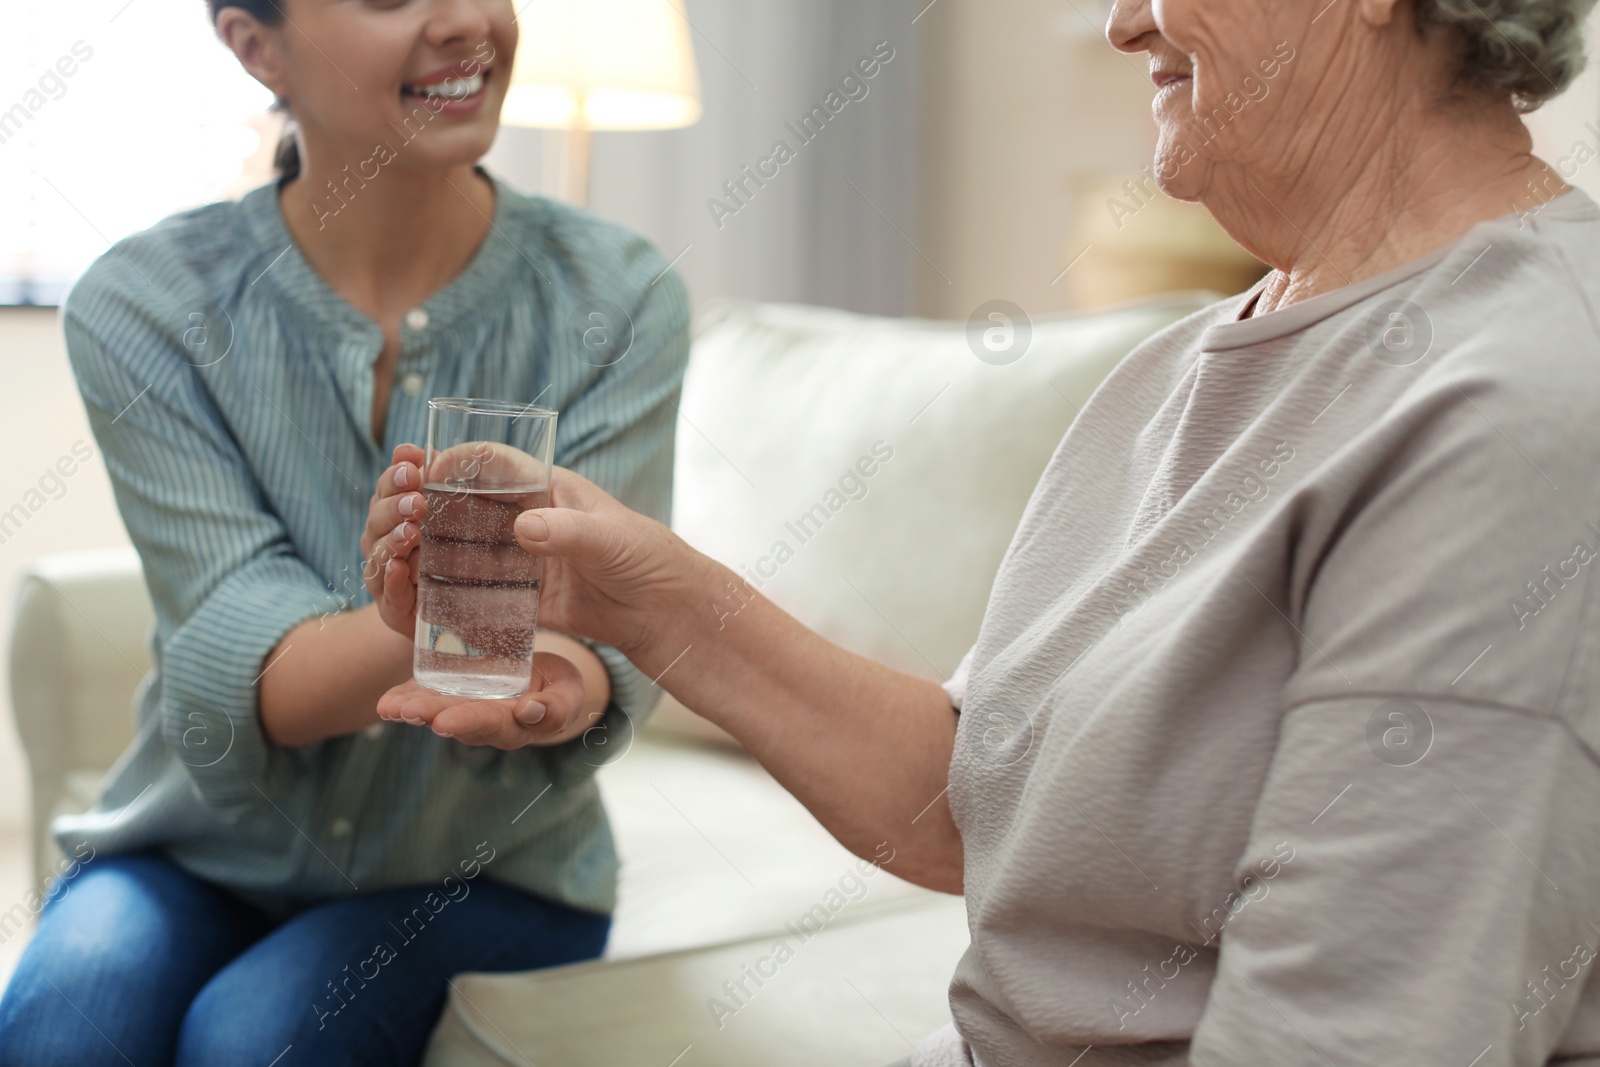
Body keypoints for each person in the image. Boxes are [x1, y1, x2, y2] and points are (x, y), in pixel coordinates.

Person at [381, 0, 1600, 1062]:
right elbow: (977, 801)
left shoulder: (1521, 402)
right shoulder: (1183, 365)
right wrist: (643, 596)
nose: (1124, 22)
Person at [0, 1, 688, 1064]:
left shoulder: (619, 295)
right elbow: (240, 654)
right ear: (253, 44)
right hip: (191, 849)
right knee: (64, 1023)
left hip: (486, 871)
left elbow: (600, 635)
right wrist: (421, 619)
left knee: (252, 1037)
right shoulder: (143, 303)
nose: (466, 20)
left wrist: (564, 684)